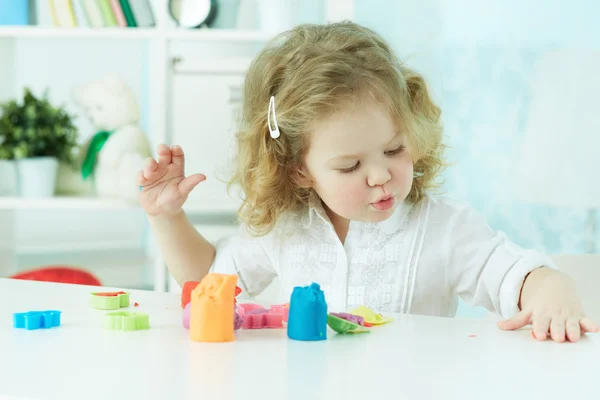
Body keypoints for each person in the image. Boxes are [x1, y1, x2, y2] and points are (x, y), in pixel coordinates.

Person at [138, 21, 597, 343]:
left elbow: (515, 276)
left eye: (395, 150)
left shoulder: (444, 228)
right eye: (350, 166)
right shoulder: (286, 229)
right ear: (299, 168)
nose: (380, 175)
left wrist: (551, 288)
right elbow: (209, 284)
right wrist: (167, 218)